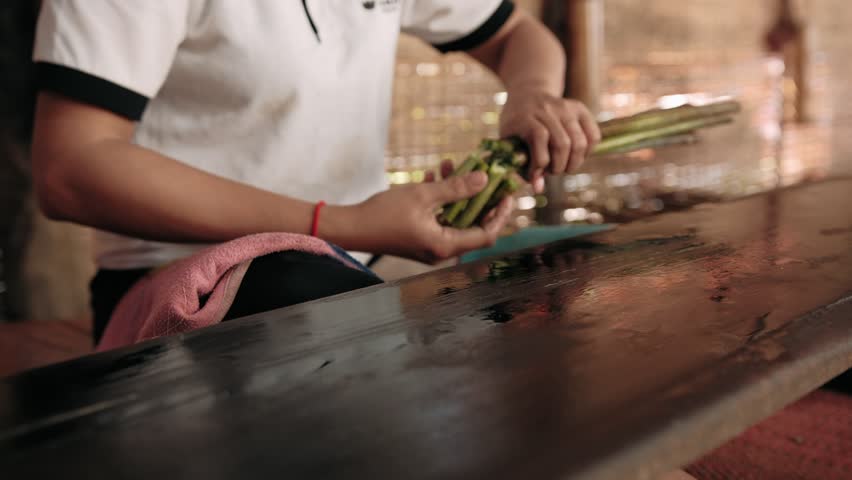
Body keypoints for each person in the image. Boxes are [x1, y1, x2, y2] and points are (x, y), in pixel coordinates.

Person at [30, 0, 600, 344]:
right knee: (322, 322)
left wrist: (531, 94)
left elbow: (519, 35)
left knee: (567, 290)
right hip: (186, 280)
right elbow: (71, 166)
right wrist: (339, 222)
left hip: (356, 263)